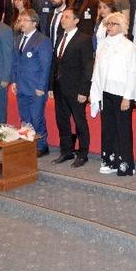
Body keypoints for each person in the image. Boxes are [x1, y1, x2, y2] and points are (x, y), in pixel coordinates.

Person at [90, 11, 136, 176]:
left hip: (122, 95)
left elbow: (133, 73)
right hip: (105, 92)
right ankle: (109, 161)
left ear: (122, 27)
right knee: (108, 128)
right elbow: (97, 70)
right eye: (107, 24)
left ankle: (125, 164)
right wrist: (95, 93)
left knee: (123, 129)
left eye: (113, 24)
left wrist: (128, 96)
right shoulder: (103, 44)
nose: (109, 27)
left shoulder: (129, 46)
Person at [52, 9, 94, 167]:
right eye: (62, 17)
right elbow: (55, 64)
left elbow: (87, 67)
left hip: (76, 89)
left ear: (76, 21)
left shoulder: (84, 39)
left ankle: (83, 154)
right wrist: (51, 86)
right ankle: (66, 151)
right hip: (59, 87)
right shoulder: (59, 38)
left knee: (79, 121)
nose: (63, 19)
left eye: (67, 17)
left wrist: (84, 90)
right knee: (62, 121)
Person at [11, 9, 53, 157]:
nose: (21, 23)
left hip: (36, 87)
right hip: (21, 85)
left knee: (36, 117)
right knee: (25, 118)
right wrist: (14, 81)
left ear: (34, 23)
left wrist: (41, 86)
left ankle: (42, 145)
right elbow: (15, 62)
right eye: (20, 20)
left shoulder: (42, 40)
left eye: (24, 20)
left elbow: (45, 65)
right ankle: (27, 144)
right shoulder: (18, 39)